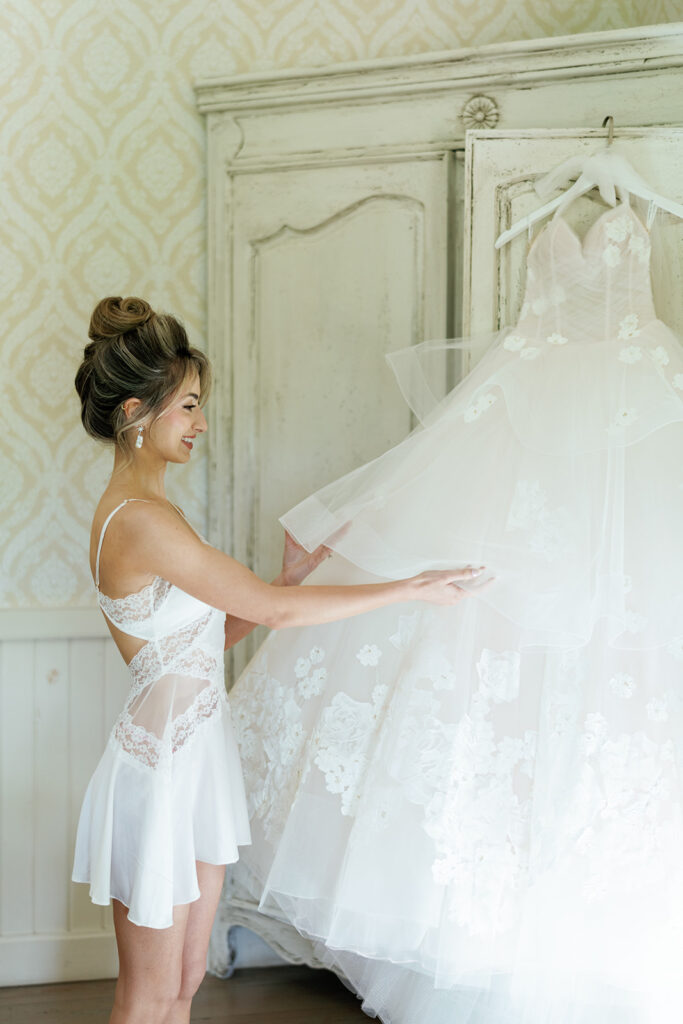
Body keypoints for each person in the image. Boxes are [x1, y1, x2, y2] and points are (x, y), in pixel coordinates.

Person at [70, 295, 482, 1024]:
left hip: (195, 760)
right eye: (188, 407)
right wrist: (408, 588)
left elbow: (209, 638)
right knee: (146, 995)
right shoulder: (140, 521)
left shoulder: (155, 514)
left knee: (185, 981)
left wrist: (287, 577)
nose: (201, 423)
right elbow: (272, 614)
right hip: (159, 768)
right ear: (136, 411)